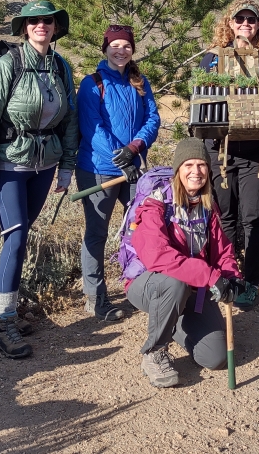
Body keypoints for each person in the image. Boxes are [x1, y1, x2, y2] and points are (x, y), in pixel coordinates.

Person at [0, 0, 79, 359]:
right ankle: (5, 323)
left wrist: (67, 165)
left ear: (55, 27)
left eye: (47, 21)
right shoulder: (6, 67)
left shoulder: (61, 67)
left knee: (20, 237)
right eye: (33, 21)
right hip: (8, 165)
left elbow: (69, 120)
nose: (41, 26)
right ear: (23, 27)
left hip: (44, 166)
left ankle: (8, 306)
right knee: (15, 239)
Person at [127, 138, 243, 388]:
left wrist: (231, 276)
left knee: (215, 357)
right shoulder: (156, 204)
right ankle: (154, 352)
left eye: (201, 165)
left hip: (191, 287)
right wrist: (211, 276)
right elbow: (158, 257)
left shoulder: (207, 205)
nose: (196, 171)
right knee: (174, 284)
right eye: (188, 164)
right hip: (149, 283)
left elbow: (222, 250)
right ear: (178, 168)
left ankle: (174, 319)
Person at [200, 0, 259, 310]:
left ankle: (251, 282)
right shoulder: (211, 58)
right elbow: (202, 99)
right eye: (240, 19)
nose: (246, 24)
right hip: (220, 151)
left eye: (252, 19)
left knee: (254, 217)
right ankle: (227, 277)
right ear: (231, 23)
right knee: (225, 218)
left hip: (258, 153)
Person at [76, 24, 161, 321]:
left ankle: (141, 288)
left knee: (140, 228)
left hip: (132, 169)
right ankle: (95, 297)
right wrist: (121, 159)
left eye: (126, 45)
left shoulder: (139, 82)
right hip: (98, 170)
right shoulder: (92, 83)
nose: (120, 50)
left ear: (132, 50)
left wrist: (136, 147)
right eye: (115, 45)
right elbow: (93, 128)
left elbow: (153, 118)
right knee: (97, 232)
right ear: (105, 48)